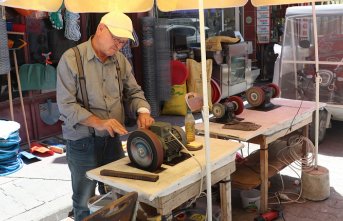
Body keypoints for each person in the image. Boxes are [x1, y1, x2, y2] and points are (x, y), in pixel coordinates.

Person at [56, 11, 154, 221]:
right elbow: (66, 106)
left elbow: (134, 93)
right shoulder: (72, 59)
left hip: (111, 141)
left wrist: (142, 111)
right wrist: (99, 123)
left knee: (119, 195)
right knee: (84, 201)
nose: (119, 46)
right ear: (100, 29)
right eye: (116, 40)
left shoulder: (120, 61)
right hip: (82, 143)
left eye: (123, 42)